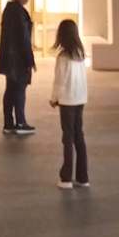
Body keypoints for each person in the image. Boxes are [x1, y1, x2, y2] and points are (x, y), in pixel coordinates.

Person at [49, 18, 90, 189]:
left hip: (67, 100)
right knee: (79, 136)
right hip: (80, 99)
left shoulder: (63, 57)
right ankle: (83, 177)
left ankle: (66, 178)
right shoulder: (80, 54)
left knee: (67, 138)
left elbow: (60, 81)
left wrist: (54, 98)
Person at [0, 0, 36, 135]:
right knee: (19, 90)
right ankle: (20, 123)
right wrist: (30, 60)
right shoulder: (18, 12)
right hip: (18, 60)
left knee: (10, 90)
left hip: (10, 59)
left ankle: (8, 123)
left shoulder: (9, 10)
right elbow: (24, 38)